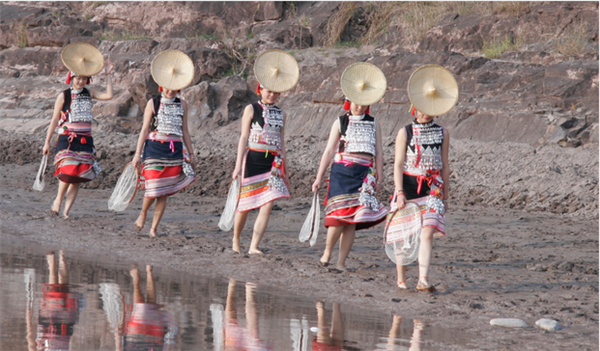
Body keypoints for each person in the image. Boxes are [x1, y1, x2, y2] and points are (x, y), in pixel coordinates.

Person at [312, 99, 388, 270]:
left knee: (352, 220)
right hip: (341, 173)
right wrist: (318, 178)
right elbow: (329, 151)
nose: (359, 107)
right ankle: (327, 253)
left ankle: (341, 262)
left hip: (363, 175)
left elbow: (379, 152)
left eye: (363, 104)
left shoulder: (374, 122)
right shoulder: (340, 122)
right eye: (356, 103)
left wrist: (380, 179)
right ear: (349, 102)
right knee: (339, 216)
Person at [132, 50, 196, 237]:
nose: (170, 90)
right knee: (152, 186)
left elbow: (185, 131)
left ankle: (153, 228)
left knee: (165, 190)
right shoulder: (153, 103)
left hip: (174, 150)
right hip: (154, 147)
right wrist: (137, 154)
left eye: (173, 87)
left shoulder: (182, 104)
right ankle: (143, 213)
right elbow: (144, 129)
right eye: (167, 86)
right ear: (161, 85)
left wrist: (191, 155)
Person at [42, 61, 113, 219]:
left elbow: (109, 95)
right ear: (72, 77)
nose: (81, 81)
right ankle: (58, 201)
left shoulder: (90, 93)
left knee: (77, 178)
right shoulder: (64, 95)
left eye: (84, 78)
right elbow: (54, 120)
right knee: (67, 171)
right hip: (67, 138)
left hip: (85, 139)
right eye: (78, 78)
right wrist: (47, 142)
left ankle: (67, 211)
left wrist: (108, 74)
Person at [392, 107, 450, 292]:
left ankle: (422, 279)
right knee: (404, 237)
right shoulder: (405, 131)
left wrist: (446, 197)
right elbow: (398, 164)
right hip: (408, 189)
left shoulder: (443, 133)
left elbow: (445, 166)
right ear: (414, 108)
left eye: (430, 108)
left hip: (433, 190)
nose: (426, 113)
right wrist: (399, 192)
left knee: (426, 234)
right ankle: (401, 280)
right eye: (422, 109)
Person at [230, 84, 289, 254]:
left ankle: (254, 246)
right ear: (260, 90)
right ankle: (236, 239)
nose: (272, 94)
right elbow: (243, 137)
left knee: (267, 204)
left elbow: (282, 142)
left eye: (275, 91)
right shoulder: (251, 109)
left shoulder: (281, 114)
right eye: (269, 91)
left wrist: (286, 170)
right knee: (245, 205)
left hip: (273, 163)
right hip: (252, 160)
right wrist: (237, 166)